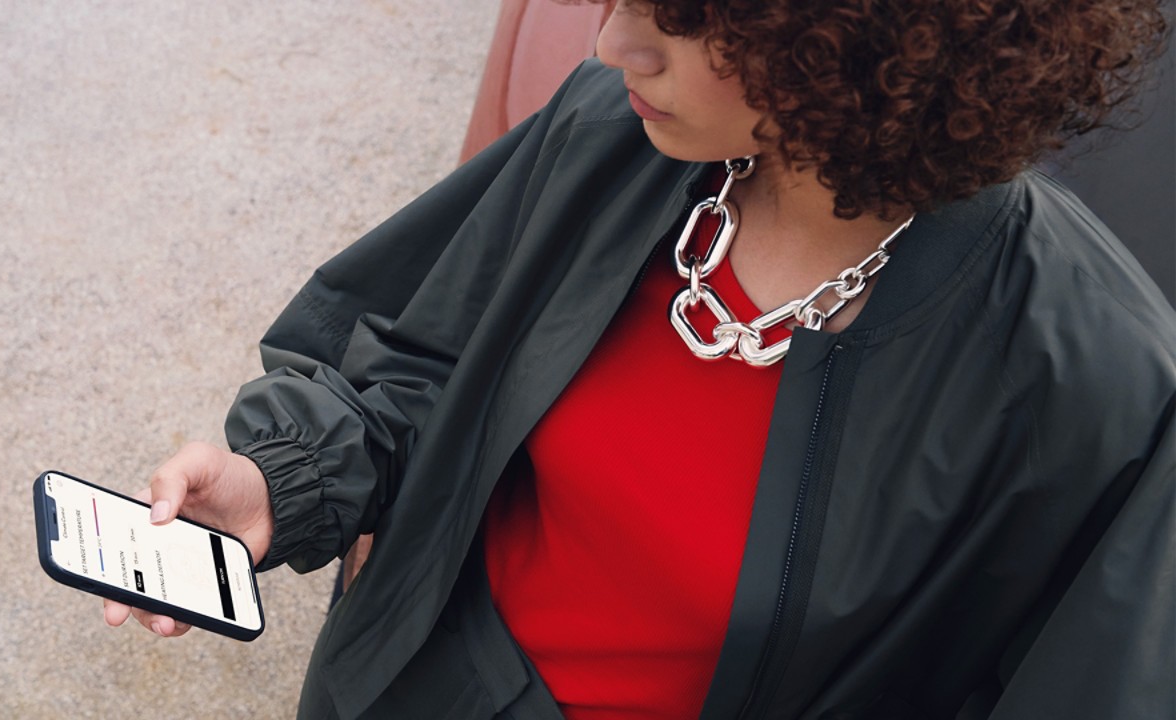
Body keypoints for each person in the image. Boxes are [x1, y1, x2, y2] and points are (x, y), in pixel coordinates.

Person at [105, 1, 1174, 718]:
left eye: (692, 14)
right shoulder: (613, 135)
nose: (617, 41)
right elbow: (418, 366)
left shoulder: (1086, 381)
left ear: (867, 36)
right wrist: (274, 483)